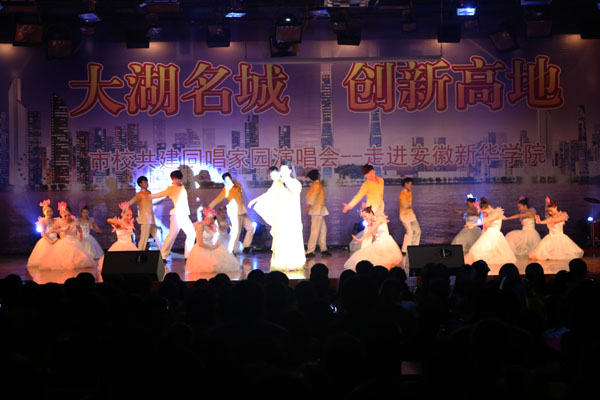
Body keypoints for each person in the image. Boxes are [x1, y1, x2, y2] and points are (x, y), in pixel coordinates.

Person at [249, 161, 306, 271]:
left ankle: (293, 265)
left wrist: (285, 181)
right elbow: (269, 194)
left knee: (292, 241)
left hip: (292, 218)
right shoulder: (277, 183)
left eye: (284, 170)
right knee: (280, 242)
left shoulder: (295, 183)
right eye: (281, 170)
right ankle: (281, 265)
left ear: (290, 170)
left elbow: (294, 191)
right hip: (280, 217)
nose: (282, 172)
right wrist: (255, 200)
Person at [151, 170, 196, 260]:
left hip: (183, 215)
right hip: (177, 216)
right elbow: (160, 194)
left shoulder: (182, 187)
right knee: (172, 235)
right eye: (176, 179)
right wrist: (148, 196)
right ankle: (163, 255)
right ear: (172, 179)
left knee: (191, 234)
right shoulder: (171, 189)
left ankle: (188, 255)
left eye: (179, 179)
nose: (177, 180)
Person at [344, 206, 403, 271]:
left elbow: (372, 229)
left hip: (385, 241)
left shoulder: (379, 218)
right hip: (378, 243)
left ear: (370, 213)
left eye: (365, 216)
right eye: (363, 217)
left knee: (387, 261)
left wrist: (361, 239)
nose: (364, 218)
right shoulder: (369, 224)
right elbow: (373, 236)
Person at [39, 202, 96, 270]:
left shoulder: (75, 221)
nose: (67, 217)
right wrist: (62, 230)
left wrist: (79, 241)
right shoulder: (59, 222)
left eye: (68, 215)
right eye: (65, 216)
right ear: (62, 215)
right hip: (64, 242)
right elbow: (51, 230)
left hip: (74, 241)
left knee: (79, 258)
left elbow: (80, 231)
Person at [208, 172, 254, 254]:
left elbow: (240, 192)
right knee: (237, 232)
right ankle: (233, 250)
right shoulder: (226, 189)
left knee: (251, 227)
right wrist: (209, 206)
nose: (228, 180)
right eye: (226, 179)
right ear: (225, 181)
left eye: (229, 178)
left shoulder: (238, 185)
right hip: (235, 212)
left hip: (242, 211)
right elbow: (218, 199)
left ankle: (246, 246)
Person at [186, 207, 240, 273]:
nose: (213, 221)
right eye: (211, 219)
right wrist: (212, 247)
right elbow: (200, 243)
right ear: (206, 218)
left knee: (222, 250)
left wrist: (214, 245)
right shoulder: (201, 226)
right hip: (202, 248)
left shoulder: (211, 227)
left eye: (213, 219)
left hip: (210, 246)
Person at [464, 197, 516, 265]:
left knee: (485, 253)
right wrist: (481, 238)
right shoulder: (486, 215)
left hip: (495, 235)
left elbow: (488, 220)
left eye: (485, 211)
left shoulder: (497, 213)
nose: (484, 213)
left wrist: (474, 224)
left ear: (488, 207)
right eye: (483, 212)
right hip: (487, 235)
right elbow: (484, 227)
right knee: (475, 251)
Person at [98, 202, 138, 270]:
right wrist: (119, 223)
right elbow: (109, 220)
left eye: (130, 215)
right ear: (122, 214)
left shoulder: (130, 223)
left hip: (130, 245)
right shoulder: (119, 223)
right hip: (121, 245)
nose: (129, 217)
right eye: (127, 215)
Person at [128, 175, 163, 251]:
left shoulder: (149, 192)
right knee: (144, 237)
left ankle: (162, 253)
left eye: (147, 182)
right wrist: (125, 205)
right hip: (145, 218)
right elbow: (131, 201)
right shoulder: (139, 194)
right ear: (140, 184)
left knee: (157, 235)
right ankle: (140, 253)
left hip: (151, 218)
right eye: (145, 182)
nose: (147, 183)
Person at [305, 169, 330, 258]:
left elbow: (310, 196)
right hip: (317, 211)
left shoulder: (315, 185)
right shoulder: (316, 185)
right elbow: (312, 197)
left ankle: (323, 249)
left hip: (319, 211)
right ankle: (310, 251)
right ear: (318, 176)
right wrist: (309, 205)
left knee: (323, 230)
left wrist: (309, 205)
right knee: (315, 231)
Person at [27, 200, 58, 268]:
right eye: (47, 211)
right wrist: (50, 241)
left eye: (51, 211)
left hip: (55, 239)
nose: (49, 213)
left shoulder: (55, 220)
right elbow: (42, 233)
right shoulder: (43, 221)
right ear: (44, 212)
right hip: (47, 240)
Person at [399, 177, 421, 253]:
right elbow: (405, 204)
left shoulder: (410, 191)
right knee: (410, 232)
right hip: (404, 216)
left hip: (411, 215)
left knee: (418, 231)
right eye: (410, 184)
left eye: (411, 184)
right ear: (406, 184)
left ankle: (414, 247)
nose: (411, 186)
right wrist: (408, 205)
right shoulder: (402, 194)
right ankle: (404, 250)